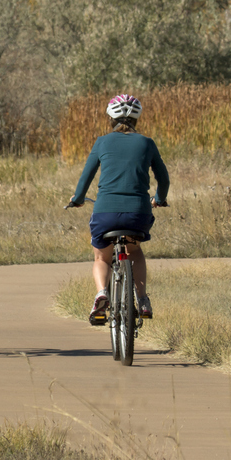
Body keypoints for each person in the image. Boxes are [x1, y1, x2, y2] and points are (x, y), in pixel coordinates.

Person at [66, 94, 169, 324]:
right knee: (134, 252)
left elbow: (86, 178)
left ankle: (102, 293)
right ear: (137, 118)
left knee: (102, 258)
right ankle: (142, 299)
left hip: (106, 214)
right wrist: (159, 199)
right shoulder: (146, 143)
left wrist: (79, 198)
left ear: (110, 117)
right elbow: (164, 179)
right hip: (138, 214)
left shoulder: (102, 142)